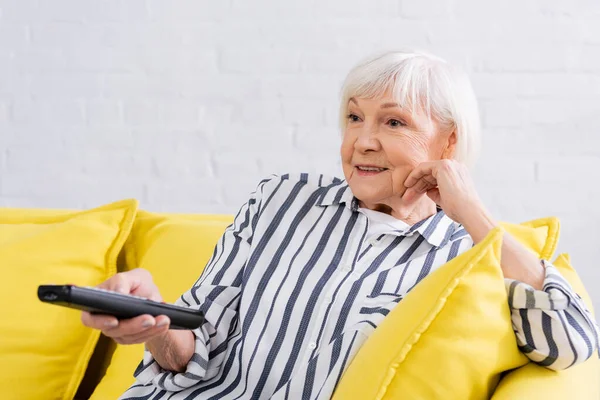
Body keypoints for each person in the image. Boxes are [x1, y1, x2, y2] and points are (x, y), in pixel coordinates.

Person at [82, 50, 600, 400]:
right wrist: (154, 321)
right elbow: (198, 341)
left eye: (393, 122)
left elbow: (571, 342)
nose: (363, 141)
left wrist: (472, 213)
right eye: (355, 118)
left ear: (448, 143)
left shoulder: (468, 254)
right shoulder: (281, 200)